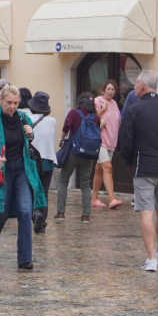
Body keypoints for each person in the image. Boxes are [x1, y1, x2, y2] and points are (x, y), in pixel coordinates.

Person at [0, 84, 45, 270]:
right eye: (9, 102)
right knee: (0, 213)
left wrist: (30, 134)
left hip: (21, 169)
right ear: (1, 101)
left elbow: (29, 138)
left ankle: (25, 259)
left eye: (15, 103)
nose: (12, 106)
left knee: (26, 212)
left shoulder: (22, 117)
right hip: (0, 170)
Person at [118, 71, 158, 273]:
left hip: (144, 167)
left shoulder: (134, 110)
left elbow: (125, 142)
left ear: (142, 86)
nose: (134, 88)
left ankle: (151, 258)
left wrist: (130, 161)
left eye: (135, 85)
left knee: (146, 211)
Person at [55, 92, 99, 223]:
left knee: (63, 180)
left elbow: (66, 127)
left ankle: (61, 213)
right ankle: (86, 215)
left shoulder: (74, 113)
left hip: (73, 152)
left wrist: (62, 140)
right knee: (85, 184)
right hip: (89, 154)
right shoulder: (95, 118)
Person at [27, 91, 56, 232]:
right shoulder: (52, 121)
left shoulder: (27, 118)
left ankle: (34, 214)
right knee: (44, 191)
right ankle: (41, 218)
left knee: (32, 189)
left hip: (32, 160)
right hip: (48, 161)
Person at [91, 79, 123, 210]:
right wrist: (103, 110)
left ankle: (94, 199)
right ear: (103, 89)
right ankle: (112, 198)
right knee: (108, 167)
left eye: (113, 90)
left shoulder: (115, 103)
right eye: (108, 89)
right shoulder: (98, 101)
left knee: (99, 170)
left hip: (111, 141)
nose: (110, 92)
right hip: (100, 141)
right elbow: (93, 119)